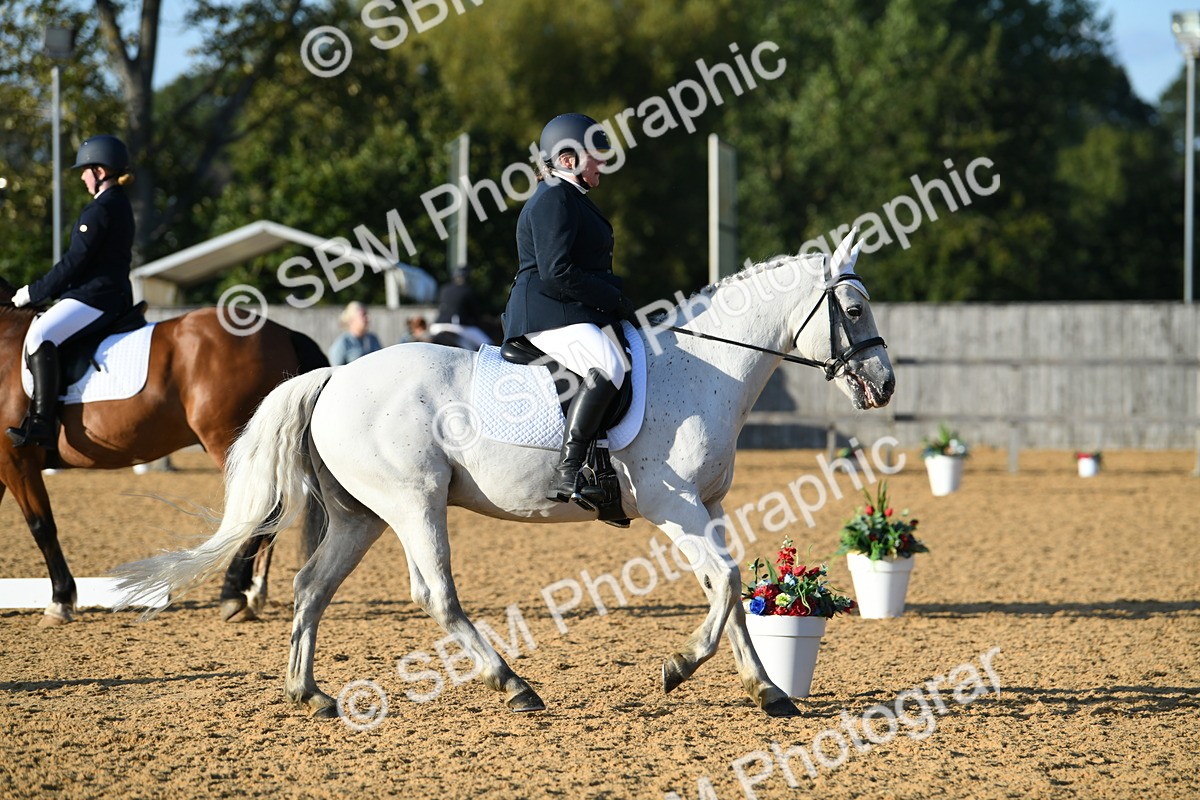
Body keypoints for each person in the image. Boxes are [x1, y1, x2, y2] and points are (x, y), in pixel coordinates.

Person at [501, 113, 638, 507]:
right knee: (609, 364)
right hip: (547, 312)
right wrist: (612, 297)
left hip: (567, 309)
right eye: (595, 155)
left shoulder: (571, 198)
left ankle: (602, 467)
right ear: (566, 160)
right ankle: (570, 469)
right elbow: (557, 271)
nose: (603, 163)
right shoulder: (554, 199)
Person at [7, 135, 136, 449]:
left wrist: (32, 293)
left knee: (39, 335)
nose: (81, 176)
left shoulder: (101, 210)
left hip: (95, 297)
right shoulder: (119, 204)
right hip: (111, 294)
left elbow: (72, 265)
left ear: (100, 171)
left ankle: (40, 422)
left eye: (85, 170)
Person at [430, 265, 492, 349]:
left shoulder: (444, 289)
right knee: (489, 345)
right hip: (458, 327)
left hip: (436, 327)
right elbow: (475, 314)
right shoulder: (467, 290)